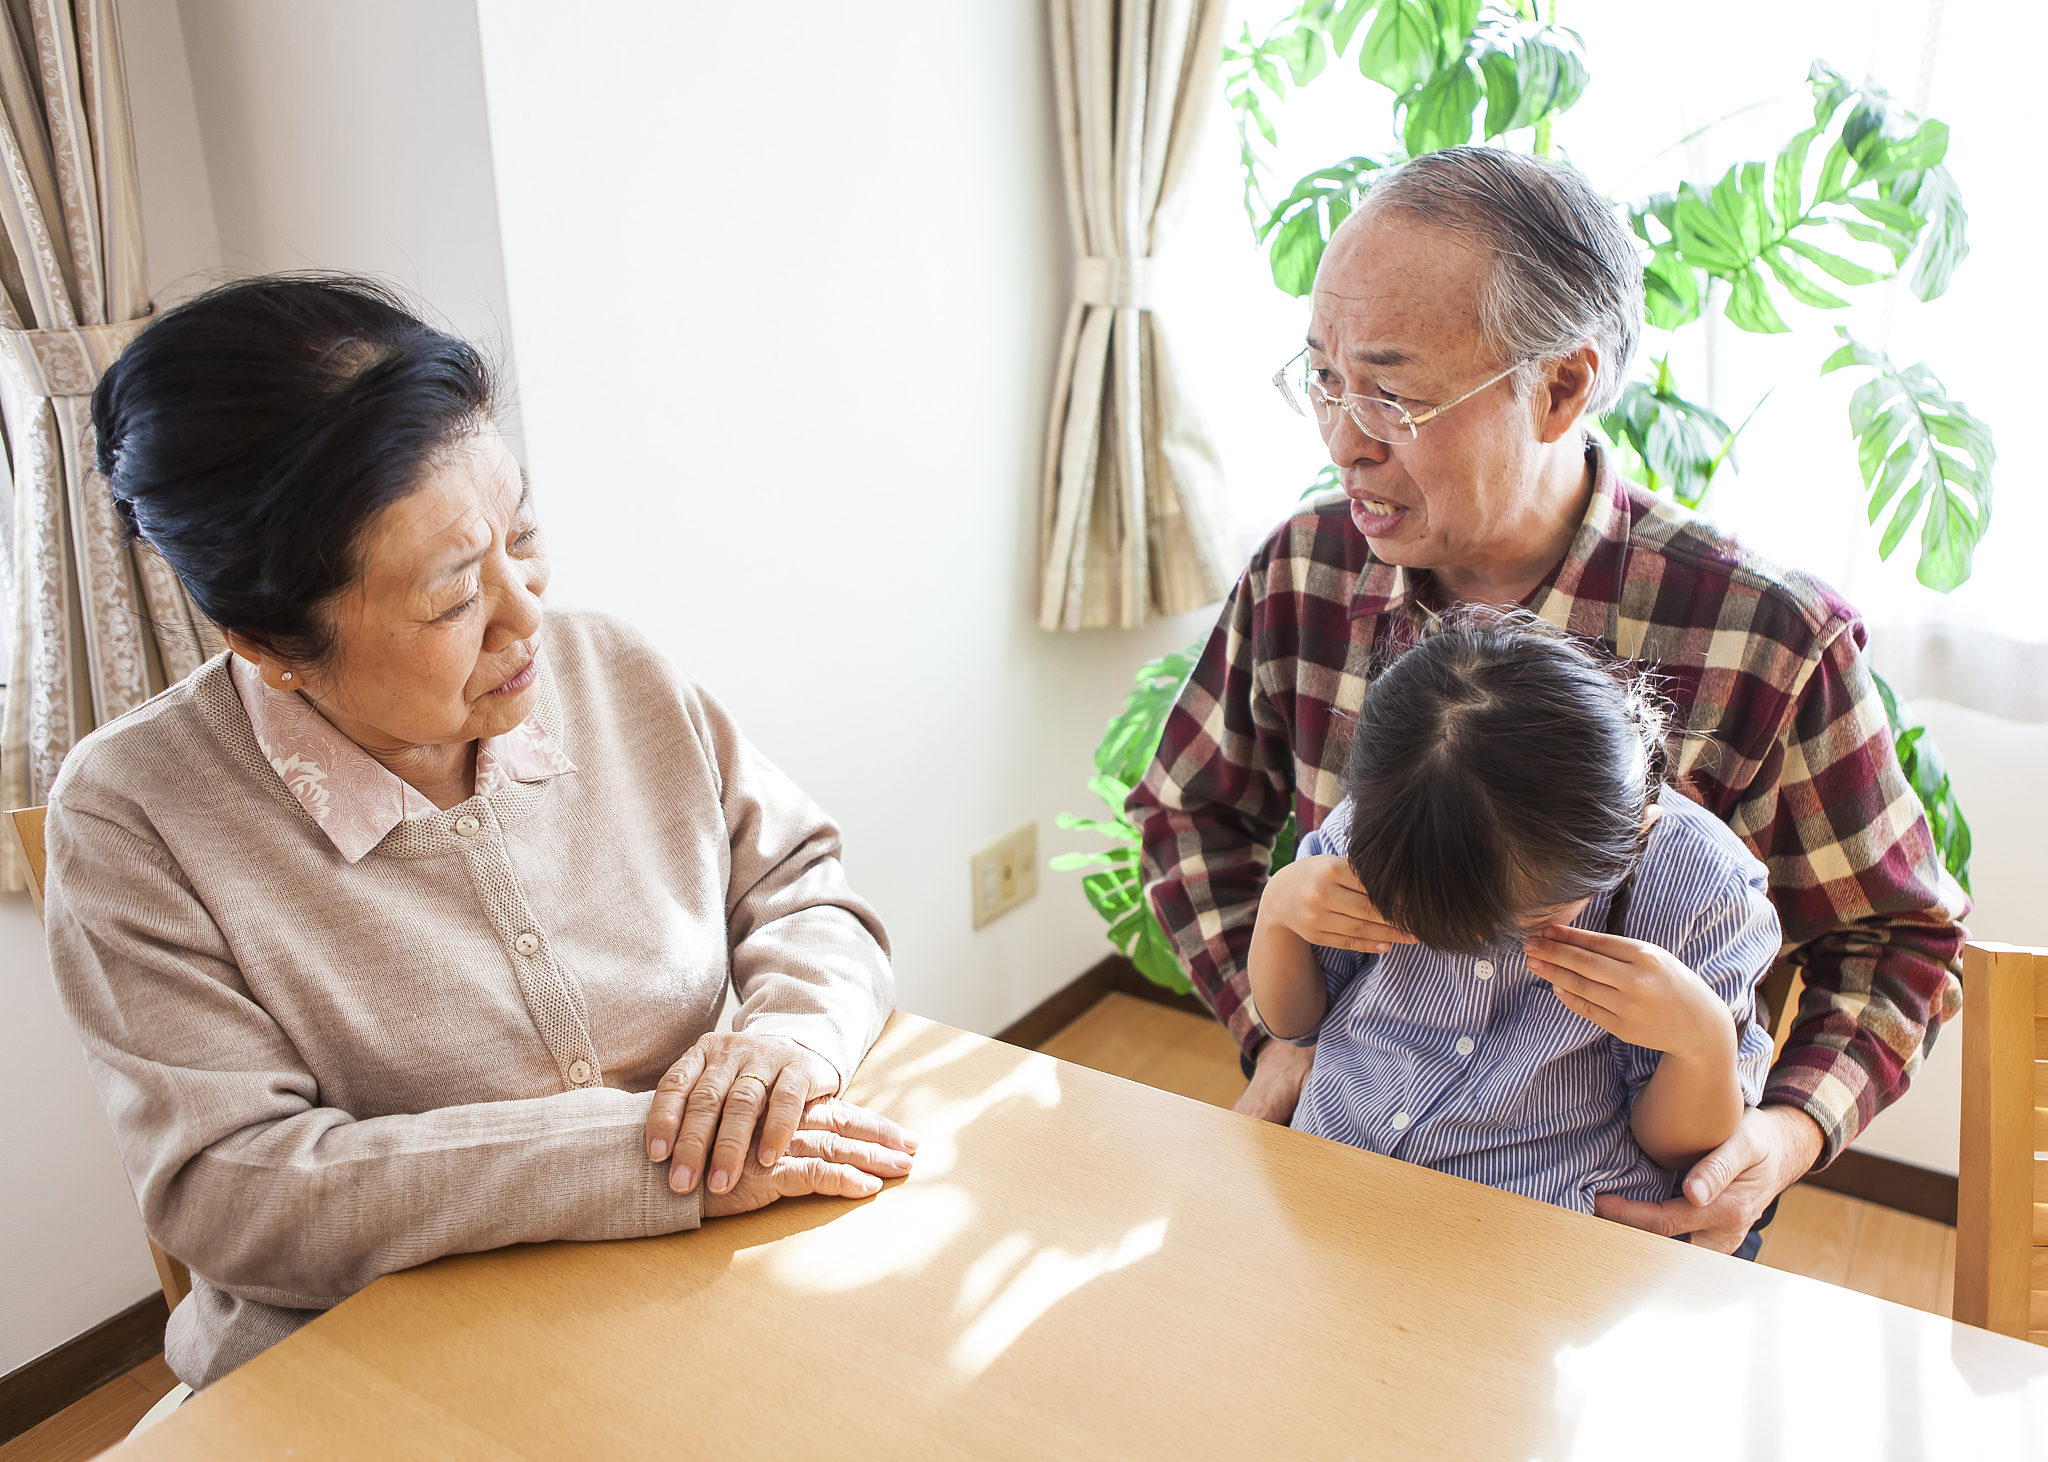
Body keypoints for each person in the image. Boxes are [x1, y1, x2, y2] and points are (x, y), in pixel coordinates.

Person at [42, 276, 915, 1390]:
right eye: (455, 596)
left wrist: (790, 1041)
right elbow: (233, 1186)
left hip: (694, 1308)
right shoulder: (134, 813)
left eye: (524, 534)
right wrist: (644, 1157)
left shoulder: (612, 669)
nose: (527, 612)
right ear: (268, 638)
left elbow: (807, 889)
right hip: (371, 1374)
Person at [1129, 146, 1968, 1254]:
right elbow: (1188, 813)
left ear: (1561, 386)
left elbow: (1897, 939)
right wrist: (1280, 1033)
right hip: (1343, 1178)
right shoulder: (1305, 569)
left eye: (1393, 393)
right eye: (1324, 379)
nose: (1341, 439)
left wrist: (1775, 1134)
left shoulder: (1763, 635)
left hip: (1605, 1229)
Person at [1251, 613, 1778, 1231]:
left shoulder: (1703, 893)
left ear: (1633, 835)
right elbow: (1295, 1026)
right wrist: (1279, 914)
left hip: (1536, 1229)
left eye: (1530, 919)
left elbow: (1677, 1150)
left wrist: (1703, 1042)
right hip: (1333, 1175)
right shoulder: (1386, 821)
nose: (1476, 941)